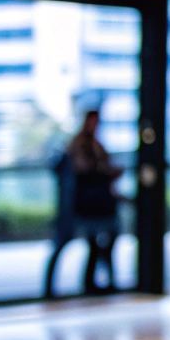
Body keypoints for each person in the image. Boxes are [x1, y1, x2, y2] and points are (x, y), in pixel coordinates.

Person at [41, 109, 123, 297]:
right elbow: (85, 171)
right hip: (83, 206)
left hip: (95, 205)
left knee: (96, 245)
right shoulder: (78, 145)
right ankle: (54, 289)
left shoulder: (96, 145)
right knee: (71, 243)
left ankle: (91, 283)